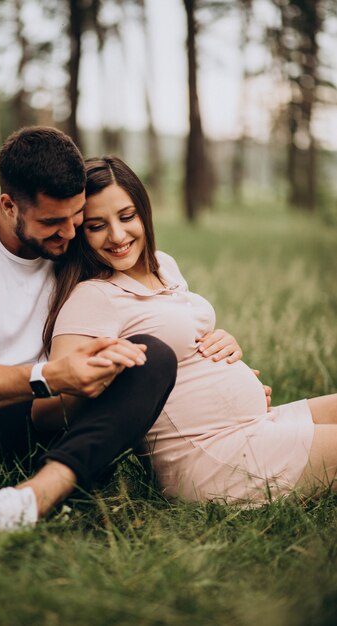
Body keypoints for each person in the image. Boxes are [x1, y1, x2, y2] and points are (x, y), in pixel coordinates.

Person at [0, 127, 237, 545]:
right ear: (9, 204)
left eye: (76, 218)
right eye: (52, 223)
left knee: (151, 356)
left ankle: (27, 500)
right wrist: (49, 376)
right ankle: (52, 482)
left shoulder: (75, 238)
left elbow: (158, 309)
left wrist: (223, 371)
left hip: (58, 417)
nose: (69, 234)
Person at [32, 155, 337, 506]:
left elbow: (182, 338)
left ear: (144, 213)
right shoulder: (92, 296)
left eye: (127, 217)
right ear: (80, 231)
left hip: (254, 424)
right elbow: (46, 413)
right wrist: (108, 376)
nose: (117, 235)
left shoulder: (164, 264)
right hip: (209, 456)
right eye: (97, 225)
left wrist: (225, 350)